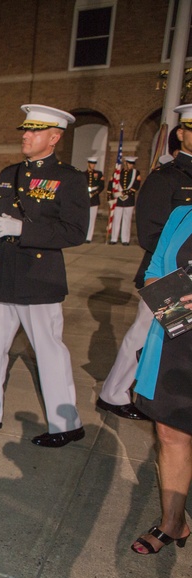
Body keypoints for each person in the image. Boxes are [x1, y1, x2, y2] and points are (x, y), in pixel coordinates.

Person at [0, 104, 88, 447]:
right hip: (4, 273)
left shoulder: (70, 178)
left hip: (39, 277)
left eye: (34, 131)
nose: (26, 136)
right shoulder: (10, 173)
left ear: (54, 137)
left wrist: (23, 229)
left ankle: (67, 424)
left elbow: (76, 231)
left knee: (49, 351)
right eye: (25, 130)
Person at [97, 105, 192, 420]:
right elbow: (151, 233)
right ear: (181, 133)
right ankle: (113, 394)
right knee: (144, 336)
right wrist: (173, 277)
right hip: (168, 277)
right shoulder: (166, 178)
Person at [130, 205, 192, 554]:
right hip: (177, 338)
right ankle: (174, 522)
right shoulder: (183, 214)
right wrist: (180, 304)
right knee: (170, 433)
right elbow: (153, 274)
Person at [109, 156, 140, 245]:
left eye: (132, 164)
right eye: (129, 163)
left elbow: (136, 185)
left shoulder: (136, 173)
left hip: (129, 199)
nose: (131, 166)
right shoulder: (118, 172)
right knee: (116, 219)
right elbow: (112, 184)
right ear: (126, 163)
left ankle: (125, 239)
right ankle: (114, 238)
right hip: (118, 200)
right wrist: (112, 195)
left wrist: (124, 193)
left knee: (127, 220)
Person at [84, 157, 104, 243]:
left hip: (94, 198)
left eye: (94, 164)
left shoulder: (99, 174)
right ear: (88, 164)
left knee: (92, 218)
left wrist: (94, 193)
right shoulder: (83, 174)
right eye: (92, 163)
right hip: (85, 198)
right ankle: (84, 235)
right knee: (85, 218)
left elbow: (101, 186)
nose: (93, 165)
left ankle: (89, 237)